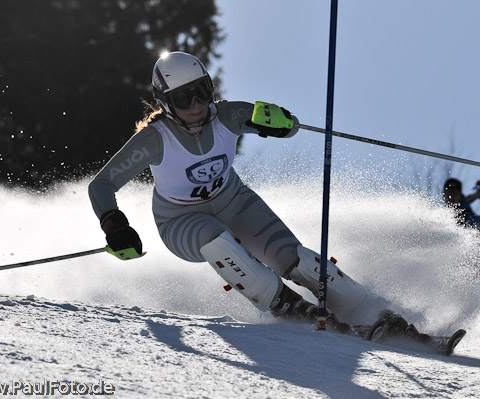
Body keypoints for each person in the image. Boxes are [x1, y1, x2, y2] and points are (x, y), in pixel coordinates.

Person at [88, 51, 382, 326]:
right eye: (182, 99)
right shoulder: (155, 139)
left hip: (235, 201)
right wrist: (114, 226)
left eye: (201, 92)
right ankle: (288, 306)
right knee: (215, 238)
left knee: (292, 257)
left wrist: (281, 122)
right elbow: (101, 185)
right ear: (165, 103)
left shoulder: (227, 116)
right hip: (181, 220)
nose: (195, 105)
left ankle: (370, 310)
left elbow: (291, 126)